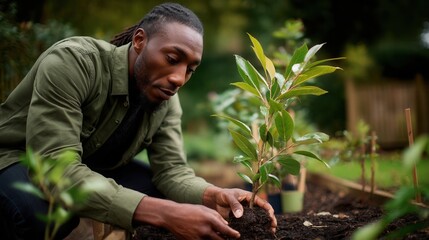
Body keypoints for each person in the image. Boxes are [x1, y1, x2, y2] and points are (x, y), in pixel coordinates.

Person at [0, 2, 277, 239]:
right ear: (139, 40)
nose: (179, 78)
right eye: (172, 58)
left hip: (90, 163)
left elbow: (171, 171)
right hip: (19, 158)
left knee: (172, 196)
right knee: (43, 215)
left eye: (189, 69)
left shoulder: (166, 98)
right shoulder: (74, 62)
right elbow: (56, 169)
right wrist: (165, 214)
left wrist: (213, 195)